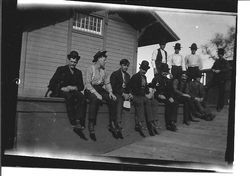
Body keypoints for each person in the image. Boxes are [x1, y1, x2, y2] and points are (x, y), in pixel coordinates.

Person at [48, 50, 87, 136]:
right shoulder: (61, 69)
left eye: (75, 62)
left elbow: (81, 86)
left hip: (73, 91)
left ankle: (79, 121)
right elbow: (52, 83)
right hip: (61, 91)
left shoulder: (78, 72)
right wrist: (62, 88)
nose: (73, 64)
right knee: (69, 97)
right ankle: (73, 122)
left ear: (77, 62)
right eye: (71, 61)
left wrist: (73, 87)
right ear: (69, 60)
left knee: (82, 98)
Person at [85, 50, 117, 140]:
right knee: (95, 99)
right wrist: (96, 94)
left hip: (99, 89)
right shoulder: (90, 68)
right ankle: (91, 123)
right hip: (90, 89)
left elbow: (107, 83)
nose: (105, 61)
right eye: (104, 60)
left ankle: (112, 123)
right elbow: (87, 84)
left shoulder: (104, 71)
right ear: (99, 59)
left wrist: (110, 92)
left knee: (113, 99)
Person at [127, 60, 158, 136]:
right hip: (135, 95)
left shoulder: (144, 77)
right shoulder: (135, 76)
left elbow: (146, 88)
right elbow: (135, 89)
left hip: (142, 95)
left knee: (150, 101)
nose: (144, 71)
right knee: (141, 101)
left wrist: (150, 93)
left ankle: (151, 122)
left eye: (146, 70)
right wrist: (145, 94)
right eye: (143, 69)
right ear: (140, 68)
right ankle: (140, 123)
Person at [110, 59, 133, 138]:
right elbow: (114, 87)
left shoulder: (128, 76)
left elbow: (129, 87)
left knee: (128, 104)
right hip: (117, 93)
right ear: (121, 65)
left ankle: (125, 126)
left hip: (125, 94)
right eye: (124, 65)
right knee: (119, 101)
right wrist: (123, 93)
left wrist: (129, 93)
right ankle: (118, 122)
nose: (126, 67)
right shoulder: (115, 74)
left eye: (127, 66)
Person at [152, 63, 178, 132]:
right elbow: (152, 89)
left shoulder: (168, 80)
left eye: (166, 72)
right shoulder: (156, 79)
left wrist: (171, 97)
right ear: (161, 71)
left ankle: (173, 121)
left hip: (166, 97)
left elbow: (170, 90)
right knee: (168, 103)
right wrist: (158, 95)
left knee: (174, 102)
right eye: (163, 71)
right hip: (158, 96)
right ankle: (168, 124)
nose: (165, 73)